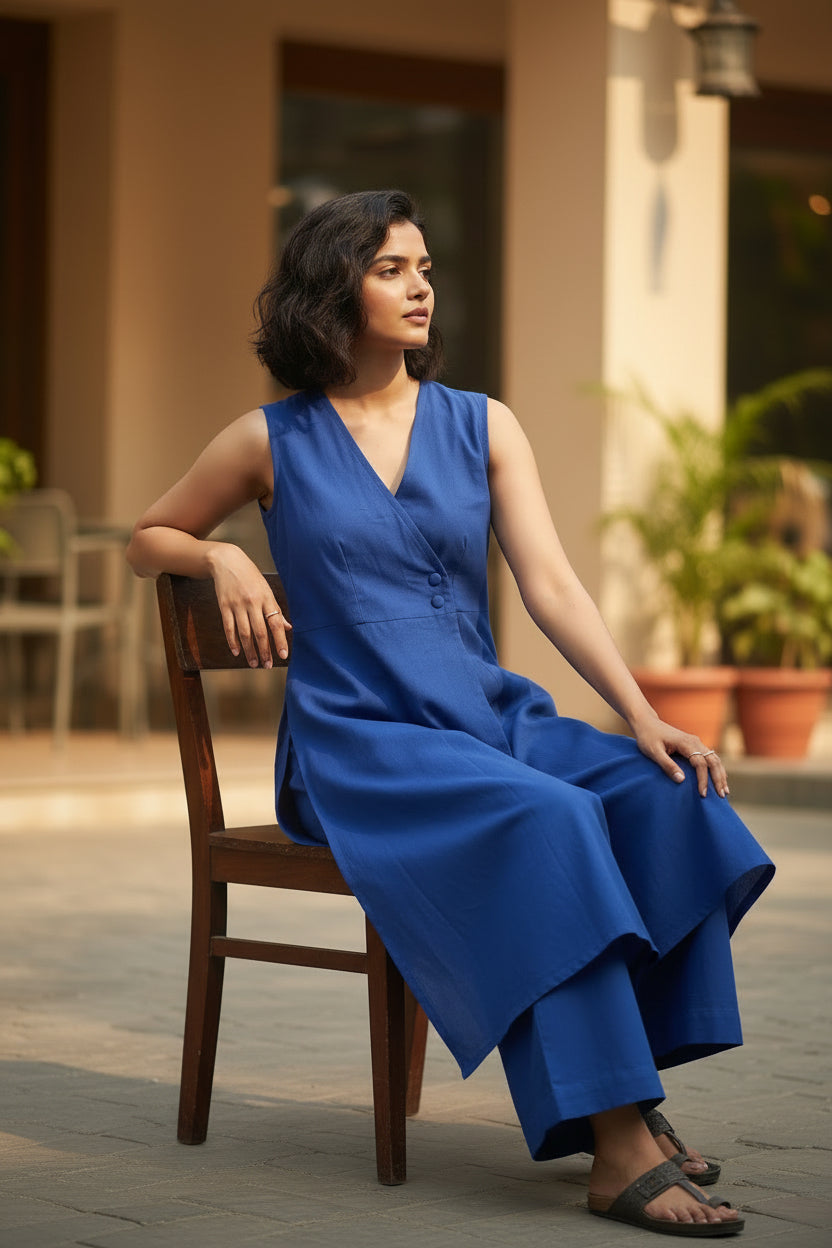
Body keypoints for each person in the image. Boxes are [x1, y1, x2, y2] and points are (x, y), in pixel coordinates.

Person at [128, 189, 773, 1237]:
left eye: (424, 267)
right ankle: (616, 1143)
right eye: (391, 268)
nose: (420, 286)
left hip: (489, 718)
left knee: (670, 794)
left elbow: (550, 585)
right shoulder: (267, 439)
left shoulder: (483, 423)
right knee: (549, 821)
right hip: (361, 746)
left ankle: (622, 1085)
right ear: (333, 287)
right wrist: (217, 553)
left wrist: (641, 714)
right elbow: (145, 538)